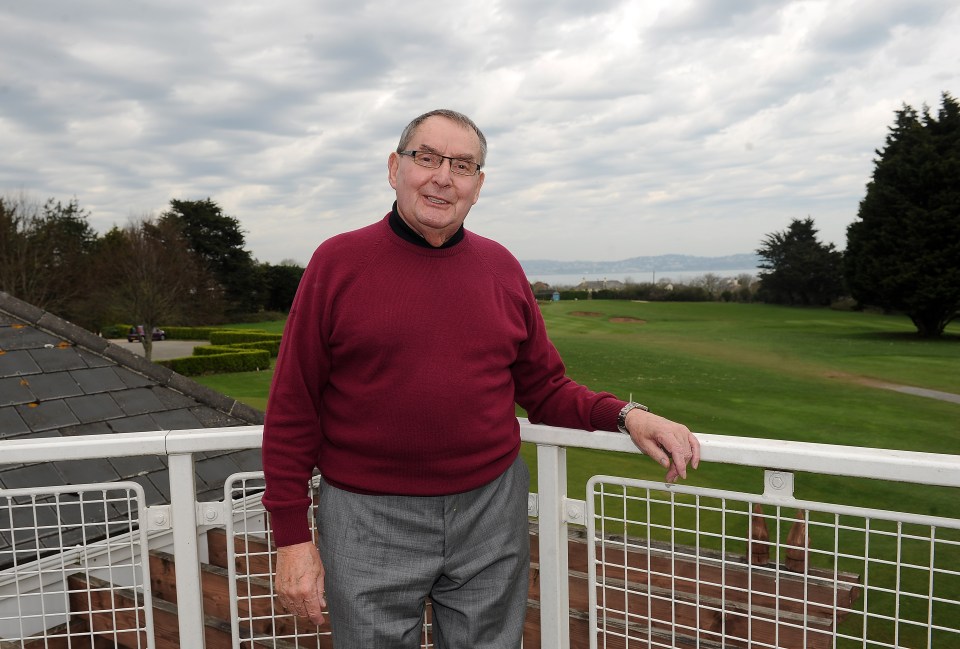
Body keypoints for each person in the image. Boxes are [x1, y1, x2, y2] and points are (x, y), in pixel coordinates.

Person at [260, 109, 700, 648]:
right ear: (394, 168)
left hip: (490, 513)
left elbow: (545, 389)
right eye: (427, 158)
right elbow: (292, 407)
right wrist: (291, 540)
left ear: (479, 186)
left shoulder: (501, 268)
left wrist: (630, 416)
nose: (443, 177)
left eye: (463, 166)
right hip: (365, 519)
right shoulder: (337, 263)